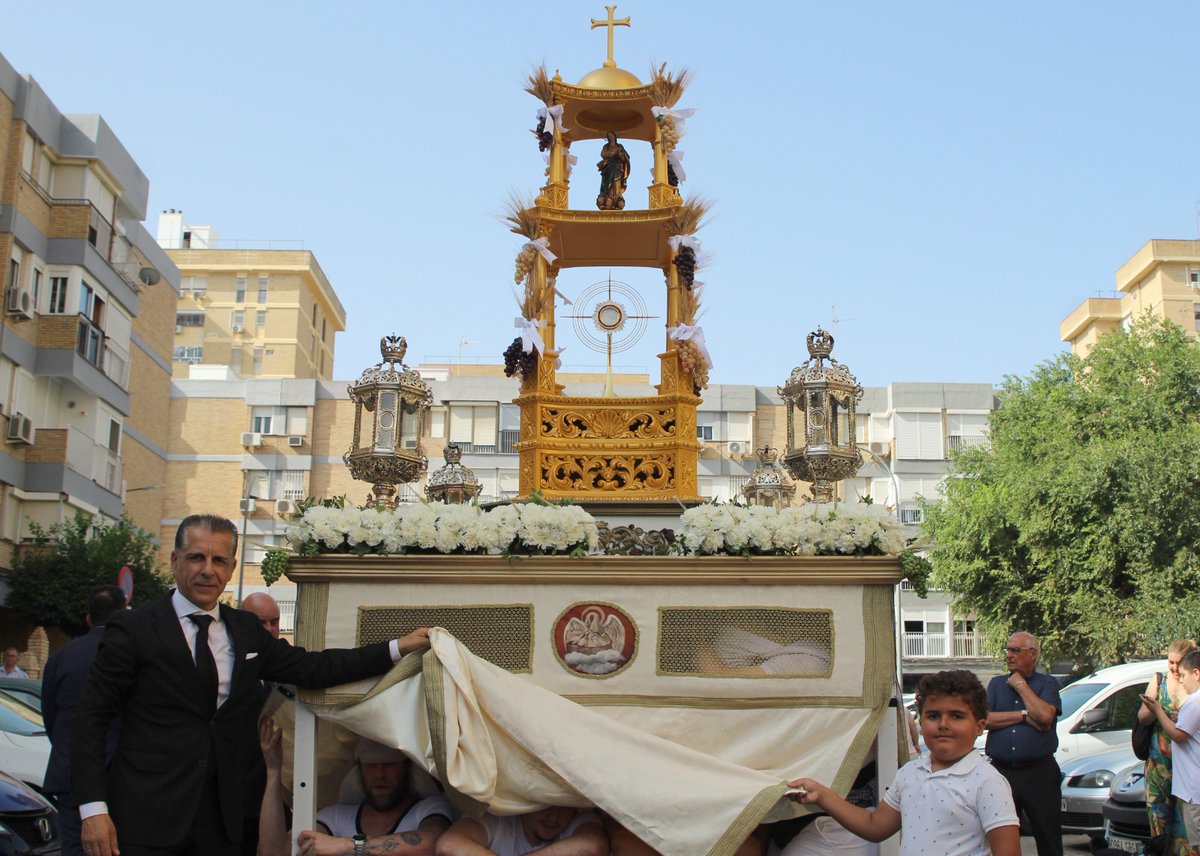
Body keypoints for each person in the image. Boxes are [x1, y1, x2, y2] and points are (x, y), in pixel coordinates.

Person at [71, 513, 432, 856]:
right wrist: (93, 809)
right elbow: (91, 720)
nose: (208, 570)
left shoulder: (244, 629)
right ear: (175, 560)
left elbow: (313, 667)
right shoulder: (133, 628)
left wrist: (397, 647)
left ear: (231, 568)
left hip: (224, 822)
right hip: (144, 817)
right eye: (197, 557)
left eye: (220, 560)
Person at [788, 669, 1019, 856]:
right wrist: (822, 795)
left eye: (957, 716)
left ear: (979, 727)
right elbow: (875, 825)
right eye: (933, 715)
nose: (943, 724)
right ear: (920, 721)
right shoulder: (910, 773)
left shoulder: (988, 782)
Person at [258, 719, 453, 856]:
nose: (379, 774)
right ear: (359, 770)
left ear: (407, 768)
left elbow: (432, 843)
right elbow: (274, 852)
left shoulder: (429, 808)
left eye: (389, 764)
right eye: (370, 765)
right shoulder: (335, 817)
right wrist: (274, 770)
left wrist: (345, 846)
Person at [42, 585, 127, 856]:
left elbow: (50, 715)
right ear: (123, 616)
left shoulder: (60, 657)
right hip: (120, 777)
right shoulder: (130, 655)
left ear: (88, 619)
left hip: (69, 775)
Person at [984, 631, 1062, 856]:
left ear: (1033, 654)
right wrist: (1024, 715)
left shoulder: (1047, 683)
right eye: (1007, 650)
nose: (1009, 655)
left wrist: (1020, 685)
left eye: (1015, 650)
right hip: (1002, 772)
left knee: (1048, 836)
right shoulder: (997, 684)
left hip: (1039, 773)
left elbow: (1045, 716)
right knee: (1001, 837)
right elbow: (985, 719)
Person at [1139, 638, 1200, 853]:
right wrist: (1157, 709)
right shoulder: (1159, 680)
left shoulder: (1194, 693)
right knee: (1160, 831)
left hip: (1186, 773)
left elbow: (1181, 734)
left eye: (1179, 663)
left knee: (1187, 832)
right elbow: (1142, 717)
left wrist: (1177, 715)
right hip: (1160, 768)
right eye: (1171, 662)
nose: (1175, 668)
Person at [238, 591, 283, 855]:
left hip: (278, 795)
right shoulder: (230, 670)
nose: (269, 630)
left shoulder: (285, 667)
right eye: (260, 623)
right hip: (241, 798)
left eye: (274, 622)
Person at [436, 806, 609, 856]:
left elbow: (592, 847)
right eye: (545, 804)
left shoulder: (579, 819)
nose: (553, 817)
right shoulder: (499, 817)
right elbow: (449, 845)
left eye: (563, 807)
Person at [595, 131, 630, 211]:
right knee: (606, 182)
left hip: (617, 167)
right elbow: (603, 154)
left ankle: (615, 194)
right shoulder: (606, 146)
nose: (611, 137)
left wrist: (620, 154)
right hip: (608, 167)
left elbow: (625, 157)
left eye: (612, 136)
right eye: (609, 136)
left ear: (615, 137)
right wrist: (610, 154)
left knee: (616, 180)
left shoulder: (619, 146)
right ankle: (606, 193)